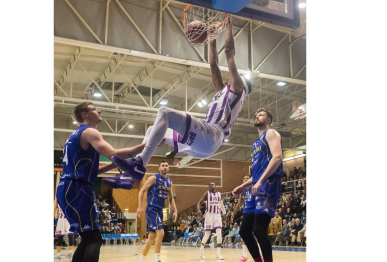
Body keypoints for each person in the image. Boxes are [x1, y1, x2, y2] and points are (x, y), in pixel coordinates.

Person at [111, 14, 252, 183]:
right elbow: (213, 64)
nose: (231, 76)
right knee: (152, 131)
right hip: (204, 142)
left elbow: (229, 53)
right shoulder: (224, 92)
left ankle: (140, 164)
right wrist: (212, 37)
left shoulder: (237, 89)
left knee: (165, 113)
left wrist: (229, 27)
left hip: (213, 134)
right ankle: (130, 177)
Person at [56, 102, 147, 262]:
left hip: (68, 186)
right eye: (94, 108)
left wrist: (115, 164)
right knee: (94, 239)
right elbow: (112, 152)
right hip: (78, 187)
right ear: (84, 114)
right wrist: (145, 146)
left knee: (87, 238)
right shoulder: (90, 132)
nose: (99, 110)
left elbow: (93, 170)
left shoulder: (75, 135)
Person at [232, 108, 284, 262]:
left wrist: (260, 181)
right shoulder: (255, 144)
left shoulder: (271, 133)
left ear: (268, 120)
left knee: (259, 230)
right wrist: (243, 186)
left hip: (269, 185)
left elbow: (277, 158)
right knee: (244, 231)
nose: (257, 116)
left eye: (261, 115)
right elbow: (256, 174)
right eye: (256, 115)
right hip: (257, 186)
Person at [137, 160, 178, 262]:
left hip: (160, 210)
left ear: (168, 168)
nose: (165, 167)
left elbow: (171, 198)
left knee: (151, 237)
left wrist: (175, 211)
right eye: (163, 166)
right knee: (161, 233)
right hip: (151, 209)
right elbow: (141, 190)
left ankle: (141, 260)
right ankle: (157, 259)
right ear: (159, 168)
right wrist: (140, 206)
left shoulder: (169, 181)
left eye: (166, 166)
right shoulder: (154, 178)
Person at [196, 183, 227, 260]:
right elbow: (199, 202)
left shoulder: (219, 194)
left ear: (215, 186)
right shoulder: (206, 194)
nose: (212, 186)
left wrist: (224, 213)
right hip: (209, 215)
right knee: (207, 234)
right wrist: (198, 210)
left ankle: (218, 254)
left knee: (219, 232)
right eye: (210, 185)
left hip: (217, 215)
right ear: (209, 187)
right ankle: (201, 249)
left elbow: (221, 204)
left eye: (213, 185)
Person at [231, 175, 252, 262]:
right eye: (245, 178)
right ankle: (244, 256)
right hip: (246, 213)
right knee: (243, 233)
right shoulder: (242, 191)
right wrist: (233, 212)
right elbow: (239, 203)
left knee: (256, 235)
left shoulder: (254, 188)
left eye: (248, 178)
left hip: (255, 213)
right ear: (243, 180)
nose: (246, 180)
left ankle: (261, 254)